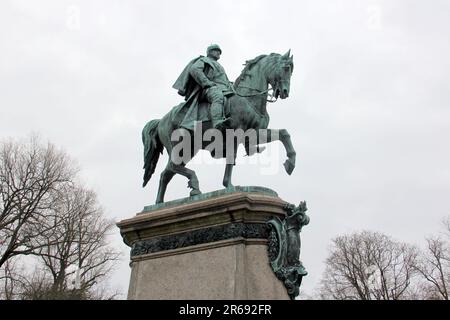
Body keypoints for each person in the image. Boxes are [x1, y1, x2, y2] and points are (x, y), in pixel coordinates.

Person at [172, 44, 234, 130]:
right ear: (210, 52)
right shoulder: (204, 60)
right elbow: (194, 69)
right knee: (217, 96)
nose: (218, 53)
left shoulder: (220, 66)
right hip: (209, 89)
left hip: (224, 88)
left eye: (219, 52)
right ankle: (217, 122)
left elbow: (223, 79)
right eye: (216, 50)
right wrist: (206, 82)